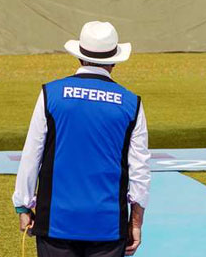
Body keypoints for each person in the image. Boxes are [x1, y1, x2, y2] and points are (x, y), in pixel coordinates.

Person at [12, 21, 151, 257]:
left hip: (56, 222)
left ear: (79, 57)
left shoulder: (51, 94)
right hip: (107, 225)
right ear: (114, 61)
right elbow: (139, 171)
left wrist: (23, 205)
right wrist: (135, 222)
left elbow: (31, 155)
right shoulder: (131, 103)